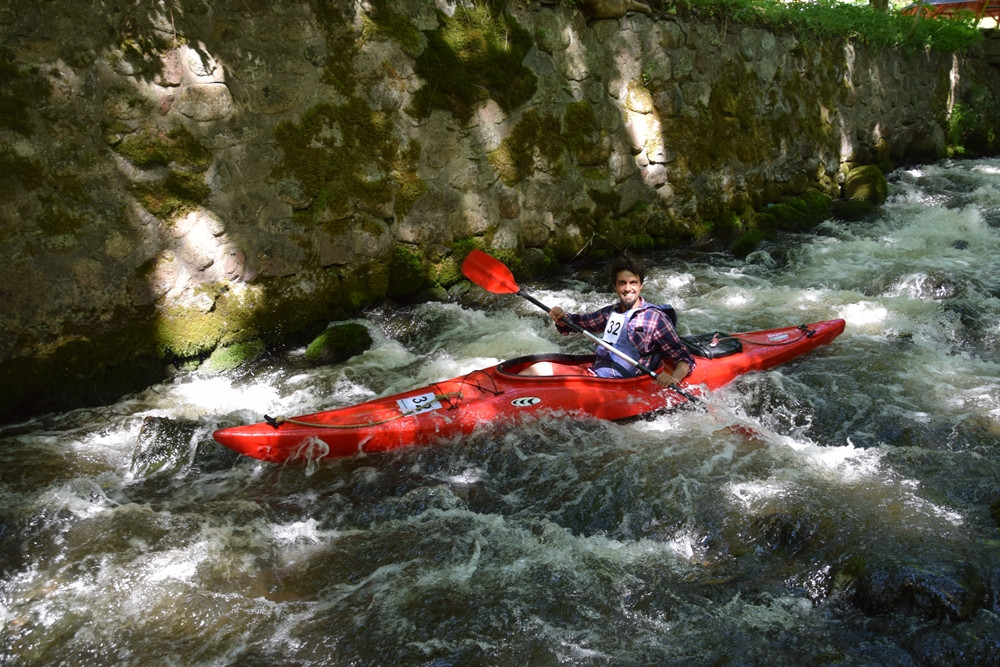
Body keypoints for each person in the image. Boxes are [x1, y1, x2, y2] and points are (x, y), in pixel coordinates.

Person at [545, 256, 694, 387]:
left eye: (633, 283)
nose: (628, 288)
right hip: (598, 375)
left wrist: (674, 378)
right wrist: (561, 317)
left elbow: (685, 358)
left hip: (623, 385)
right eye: (622, 283)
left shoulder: (655, 318)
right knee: (541, 367)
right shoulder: (610, 313)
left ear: (640, 286)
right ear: (615, 286)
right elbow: (578, 323)